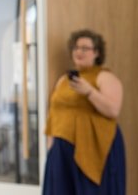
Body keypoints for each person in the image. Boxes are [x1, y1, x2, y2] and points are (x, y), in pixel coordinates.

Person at [43, 29, 126, 195]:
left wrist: (89, 92)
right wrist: (51, 146)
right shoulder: (63, 80)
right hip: (61, 149)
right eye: (75, 48)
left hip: (93, 149)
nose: (79, 52)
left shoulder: (104, 77)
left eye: (85, 48)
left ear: (96, 53)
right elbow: (54, 112)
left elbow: (113, 110)